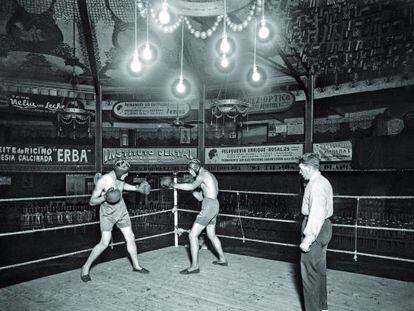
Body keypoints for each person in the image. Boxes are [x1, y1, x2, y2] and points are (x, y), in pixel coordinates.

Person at [80, 159, 151, 282]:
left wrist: (136, 188)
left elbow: (122, 186)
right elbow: (92, 201)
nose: (127, 175)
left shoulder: (121, 177)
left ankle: (136, 266)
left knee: (130, 236)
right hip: (107, 214)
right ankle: (85, 267)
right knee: (104, 242)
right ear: (118, 172)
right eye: (125, 173)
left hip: (121, 210)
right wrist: (105, 197)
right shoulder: (104, 180)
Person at [171, 159, 227, 274]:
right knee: (211, 235)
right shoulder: (209, 175)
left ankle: (194, 266)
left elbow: (192, 187)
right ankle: (222, 259)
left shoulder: (202, 175)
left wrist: (174, 185)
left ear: (195, 168)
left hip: (209, 206)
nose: (190, 173)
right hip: (214, 204)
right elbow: (200, 197)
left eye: (190, 171)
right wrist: (191, 189)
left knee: (192, 235)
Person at [298, 153, 333, 311]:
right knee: (319, 270)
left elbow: (316, 213)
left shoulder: (316, 186)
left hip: (315, 228)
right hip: (324, 227)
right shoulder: (323, 181)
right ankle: (322, 306)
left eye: (301, 168)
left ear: (309, 168)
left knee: (309, 273)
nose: (300, 172)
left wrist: (308, 238)